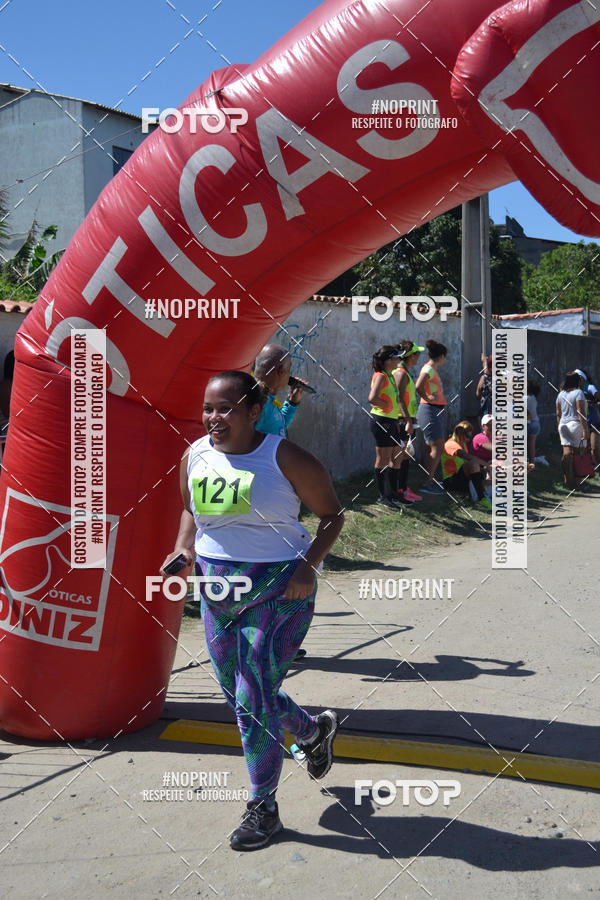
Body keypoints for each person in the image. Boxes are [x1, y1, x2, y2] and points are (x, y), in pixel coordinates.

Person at [163, 370, 344, 850]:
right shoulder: (195, 455)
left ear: (254, 411)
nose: (213, 418)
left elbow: (333, 516)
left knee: (251, 699)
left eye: (225, 408)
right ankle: (312, 732)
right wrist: (183, 550)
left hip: (280, 588)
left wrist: (307, 569)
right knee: (240, 693)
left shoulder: (285, 458)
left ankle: (263, 807)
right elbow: (190, 510)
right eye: (208, 408)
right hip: (217, 590)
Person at [368, 345, 408, 508]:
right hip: (381, 421)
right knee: (383, 459)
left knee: (397, 456)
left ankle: (393, 493)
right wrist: (385, 405)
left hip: (390, 421)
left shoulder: (389, 375)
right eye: (396, 357)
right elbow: (372, 398)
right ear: (389, 360)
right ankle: (383, 496)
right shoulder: (381, 376)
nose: (399, 360)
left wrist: (397, 419)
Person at [392, 340, 424, 502]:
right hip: (402, 420)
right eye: (417, 354)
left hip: (409, 418)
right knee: (401, 456)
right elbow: (398, 398)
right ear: (411, 356)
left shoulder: (406, 372)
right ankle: (399, 490)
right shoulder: (400, 374)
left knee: (406, 456)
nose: (419, 357)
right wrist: (408, 421)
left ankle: (403, 488)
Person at [415, 338, 448, 494]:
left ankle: (430, 479)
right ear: (441, 356)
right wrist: (427, 398)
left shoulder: (431, 369)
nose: (445, 360)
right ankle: (427, 483)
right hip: (429, 410)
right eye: (445, 357)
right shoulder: (428, 369)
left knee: (433, 446)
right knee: (438, 447)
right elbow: (418, 386)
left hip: (433, 410)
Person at [254, 344, 305, 437]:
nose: (289, 376)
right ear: (281, 371)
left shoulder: (267, 398)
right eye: (289, 370)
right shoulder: (257, 404)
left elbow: (277, 427)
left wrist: (292, 403)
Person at [441, 420, 491, 508]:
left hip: (461, 478)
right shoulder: (451, 444)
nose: (468, 439)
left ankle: (490, 494)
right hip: (451, 481)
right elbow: (469, 458)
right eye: (468, 436)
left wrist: (484, 469)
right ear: (460, 434)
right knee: (474, 464)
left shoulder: (462, 444)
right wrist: (487, 465)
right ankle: (481, 498)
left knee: (484, 473)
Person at [556, 371, 589, 488]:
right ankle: (578, 483)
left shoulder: (560, 394)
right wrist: (585, 429)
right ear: (577, 381)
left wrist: (559, 427)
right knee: (579, 454)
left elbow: (558, 413)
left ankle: (566, 481)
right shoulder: (579, 392)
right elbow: (581, 412)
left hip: (563, 425)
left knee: (566, 454)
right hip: (576, 425)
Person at [575, 368, 600, 468]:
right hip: (581, 424)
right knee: (583, 450)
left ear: (582, 378)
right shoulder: (573, 390)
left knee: (595, 448)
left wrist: (592, 404)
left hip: (594, 423)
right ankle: (587, 470)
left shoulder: (590, 387)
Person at [527, 379, 541, 465]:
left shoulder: (524, 398)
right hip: (535, 422)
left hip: (527, 423)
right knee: (532, 445)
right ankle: (532, 462)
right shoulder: (533, 398)